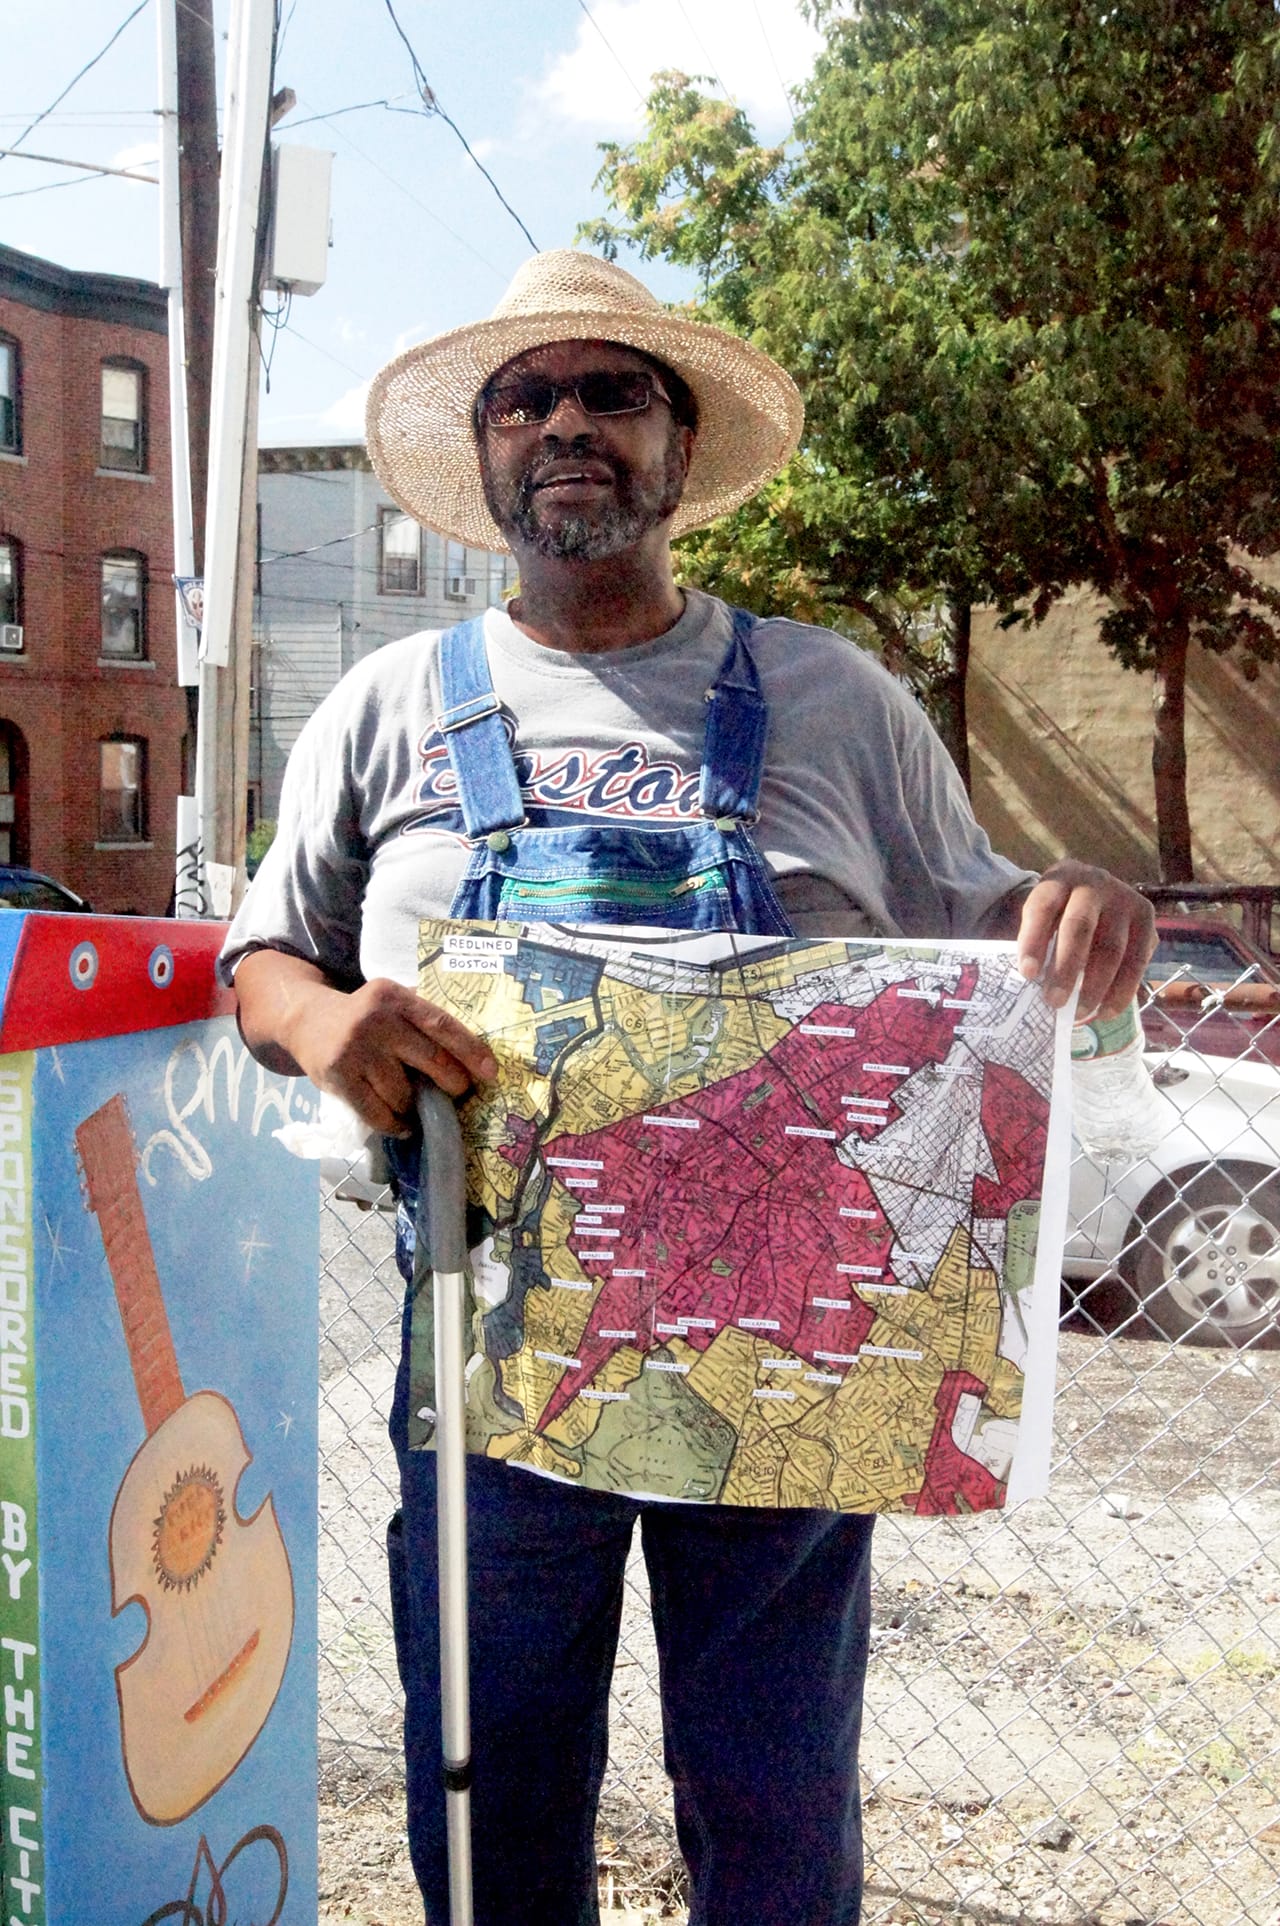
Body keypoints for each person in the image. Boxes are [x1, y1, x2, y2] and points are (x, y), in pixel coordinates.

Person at [224, 249, 1155, 1926]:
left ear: (676, 441)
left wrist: (1076, 906)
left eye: (611, 391)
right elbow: (261, 959)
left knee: (772, 1790)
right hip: (490, 1348)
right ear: (488, 455)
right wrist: (325, 1026)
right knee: (490, 1778)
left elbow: (985, 927)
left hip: (787, 1355)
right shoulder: (383, 709)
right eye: (527, 397)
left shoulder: (836, 698)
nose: (565, 422)